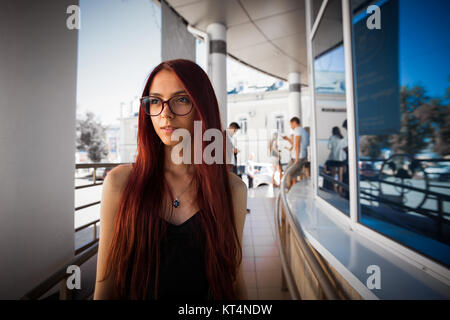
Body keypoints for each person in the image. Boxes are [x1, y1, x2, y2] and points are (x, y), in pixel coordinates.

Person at [94, 59, 248, 300]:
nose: (166, 113)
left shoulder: (232, 189)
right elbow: (105, 286)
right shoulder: (120, 183)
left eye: (181, 99)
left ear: (201, 107)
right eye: (155, 101)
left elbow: (233, 279)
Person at [282, 117, 308, 190]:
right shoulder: (303, 131)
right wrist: (287, 139)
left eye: (291, 124)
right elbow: (295, 144)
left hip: (297, 157)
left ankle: (287, 190)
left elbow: (297, 145)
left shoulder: (297, 130)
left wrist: (296, 158)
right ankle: (292, 191)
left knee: (287, 173)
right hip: (302, 156)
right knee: (294, 175)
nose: (291, 127)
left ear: (294, 122)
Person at [324, 126, 346, 193]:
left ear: (332, 131)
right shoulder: (342, 138)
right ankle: (340, 190)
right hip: (341, 158)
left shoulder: (331, 138)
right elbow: (345, 147)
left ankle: (335, 189)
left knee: (333, 175)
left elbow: (329, 147)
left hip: (333, 158)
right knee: (340, 175)